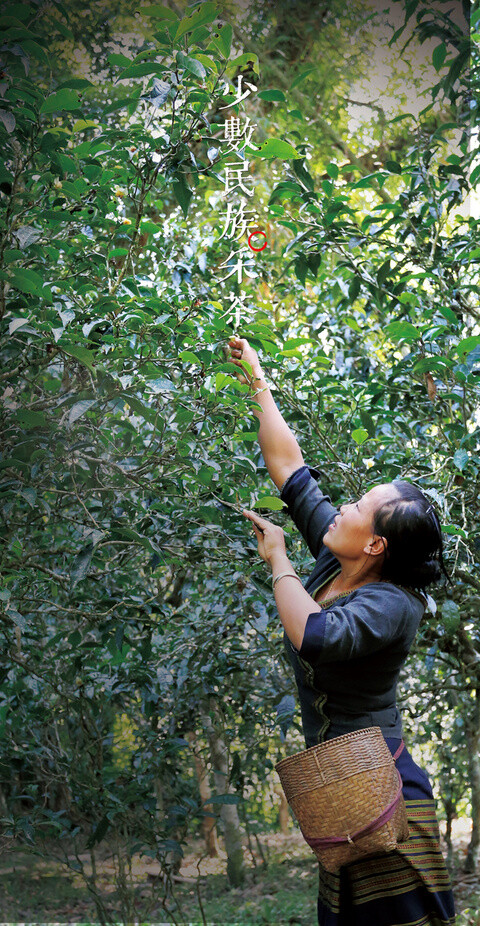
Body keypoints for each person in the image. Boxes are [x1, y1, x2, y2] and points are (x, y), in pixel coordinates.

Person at [227, 336, 456, 926]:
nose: (342, 509)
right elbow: (289, 467)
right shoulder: (339, 553)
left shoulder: (394, 603)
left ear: (375, 543)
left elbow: (320, 636)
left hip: (382, 788)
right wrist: (257, 378)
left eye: (357, 507)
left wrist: (278, 559)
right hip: (337, 785)